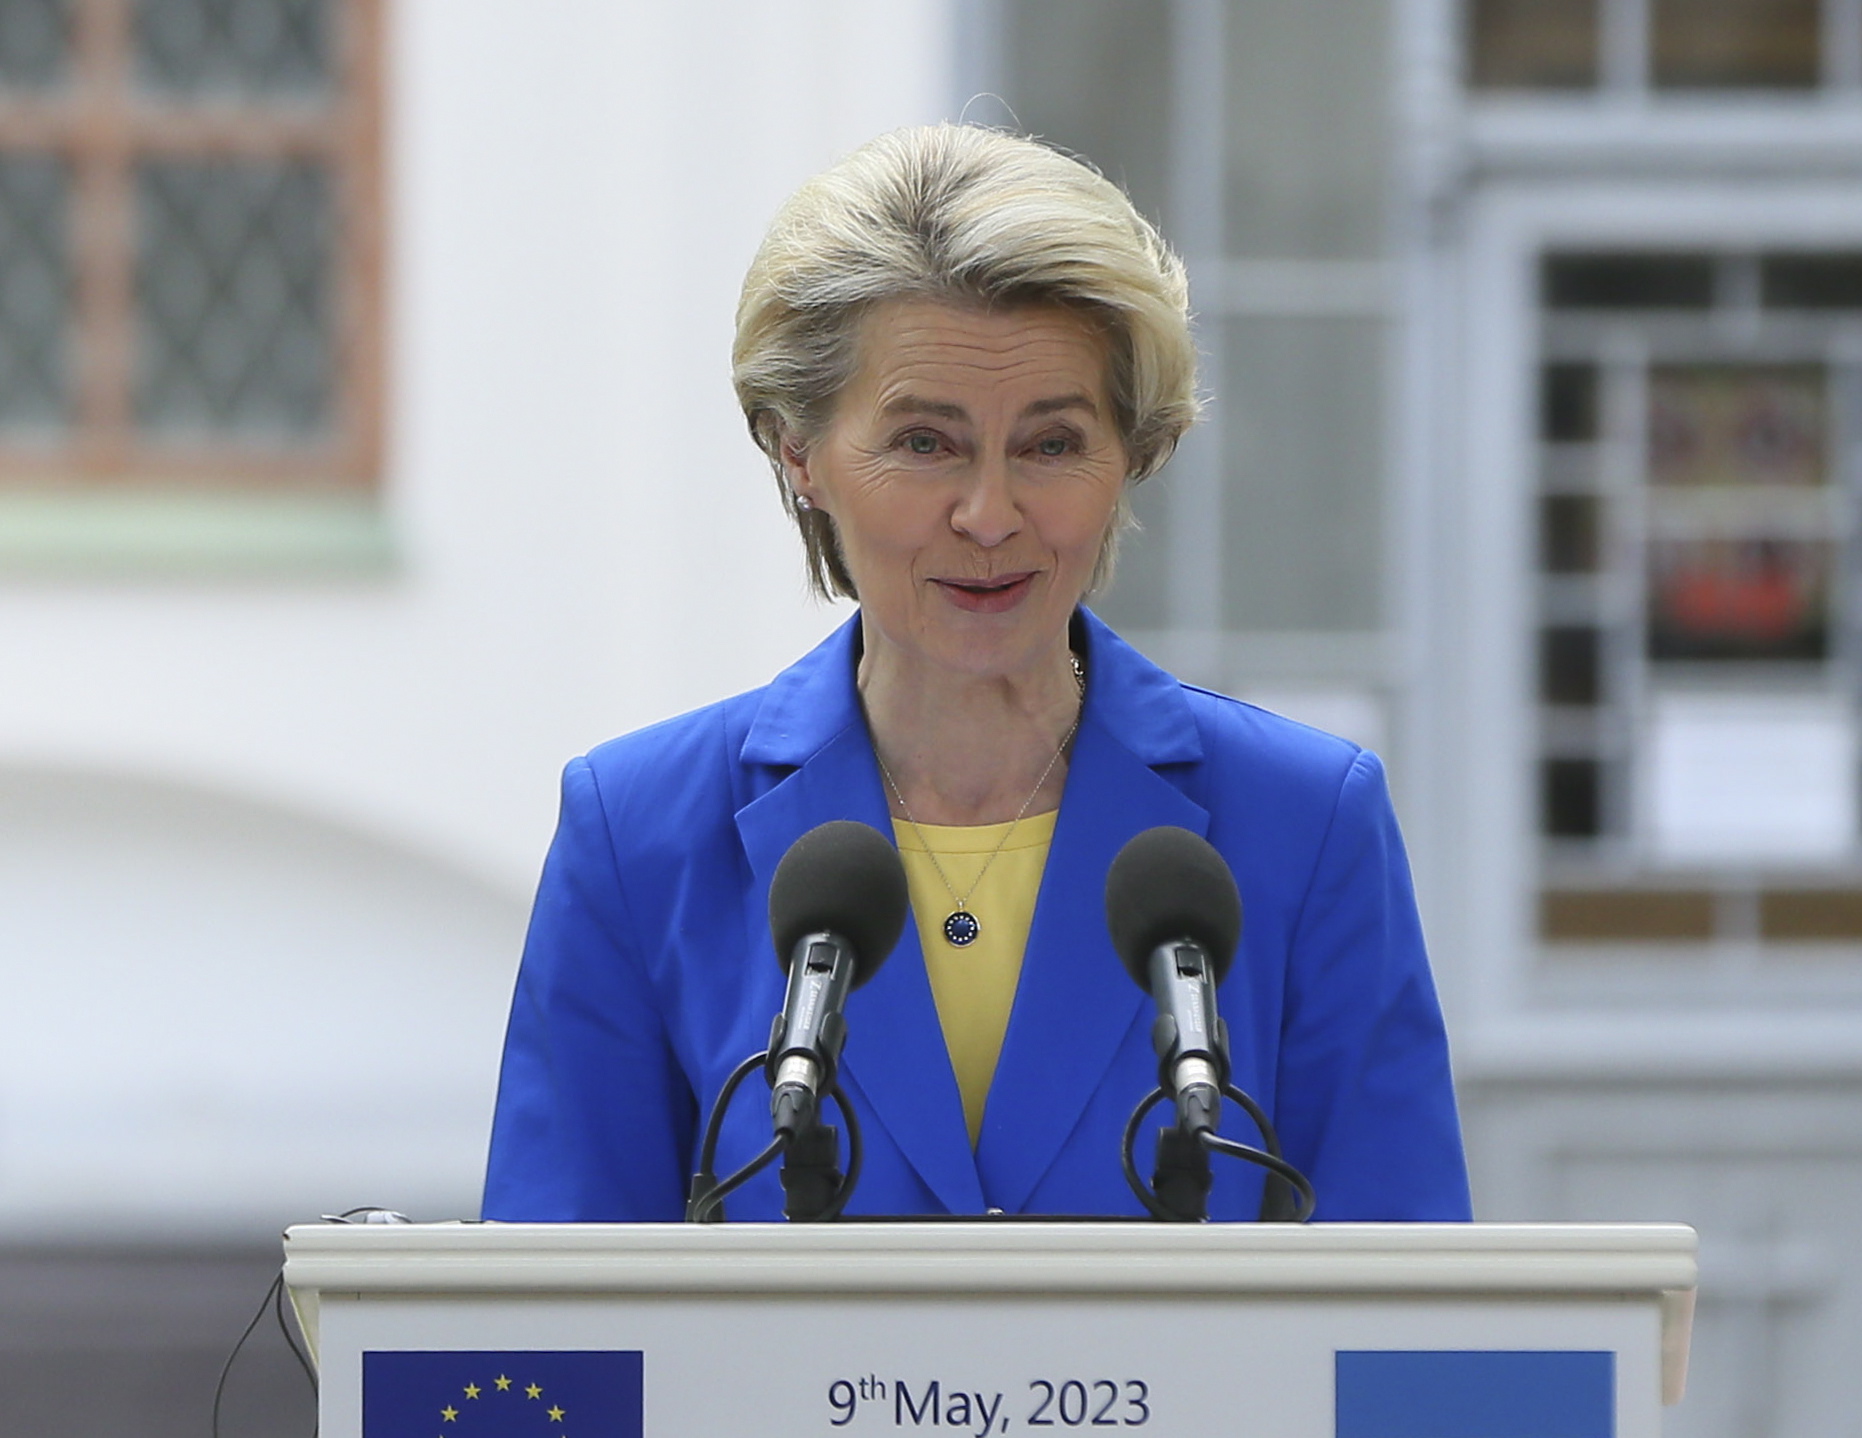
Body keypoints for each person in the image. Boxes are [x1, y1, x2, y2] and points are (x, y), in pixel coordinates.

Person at [482, 125, 1470, 1222]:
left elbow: (1408, 1317)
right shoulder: (638, 836)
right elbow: (552, 1327)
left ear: (1130, 453)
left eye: (1049, 446)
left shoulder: (1306, 824)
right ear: (796, 451)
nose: (991, 516)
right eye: (923, 443)